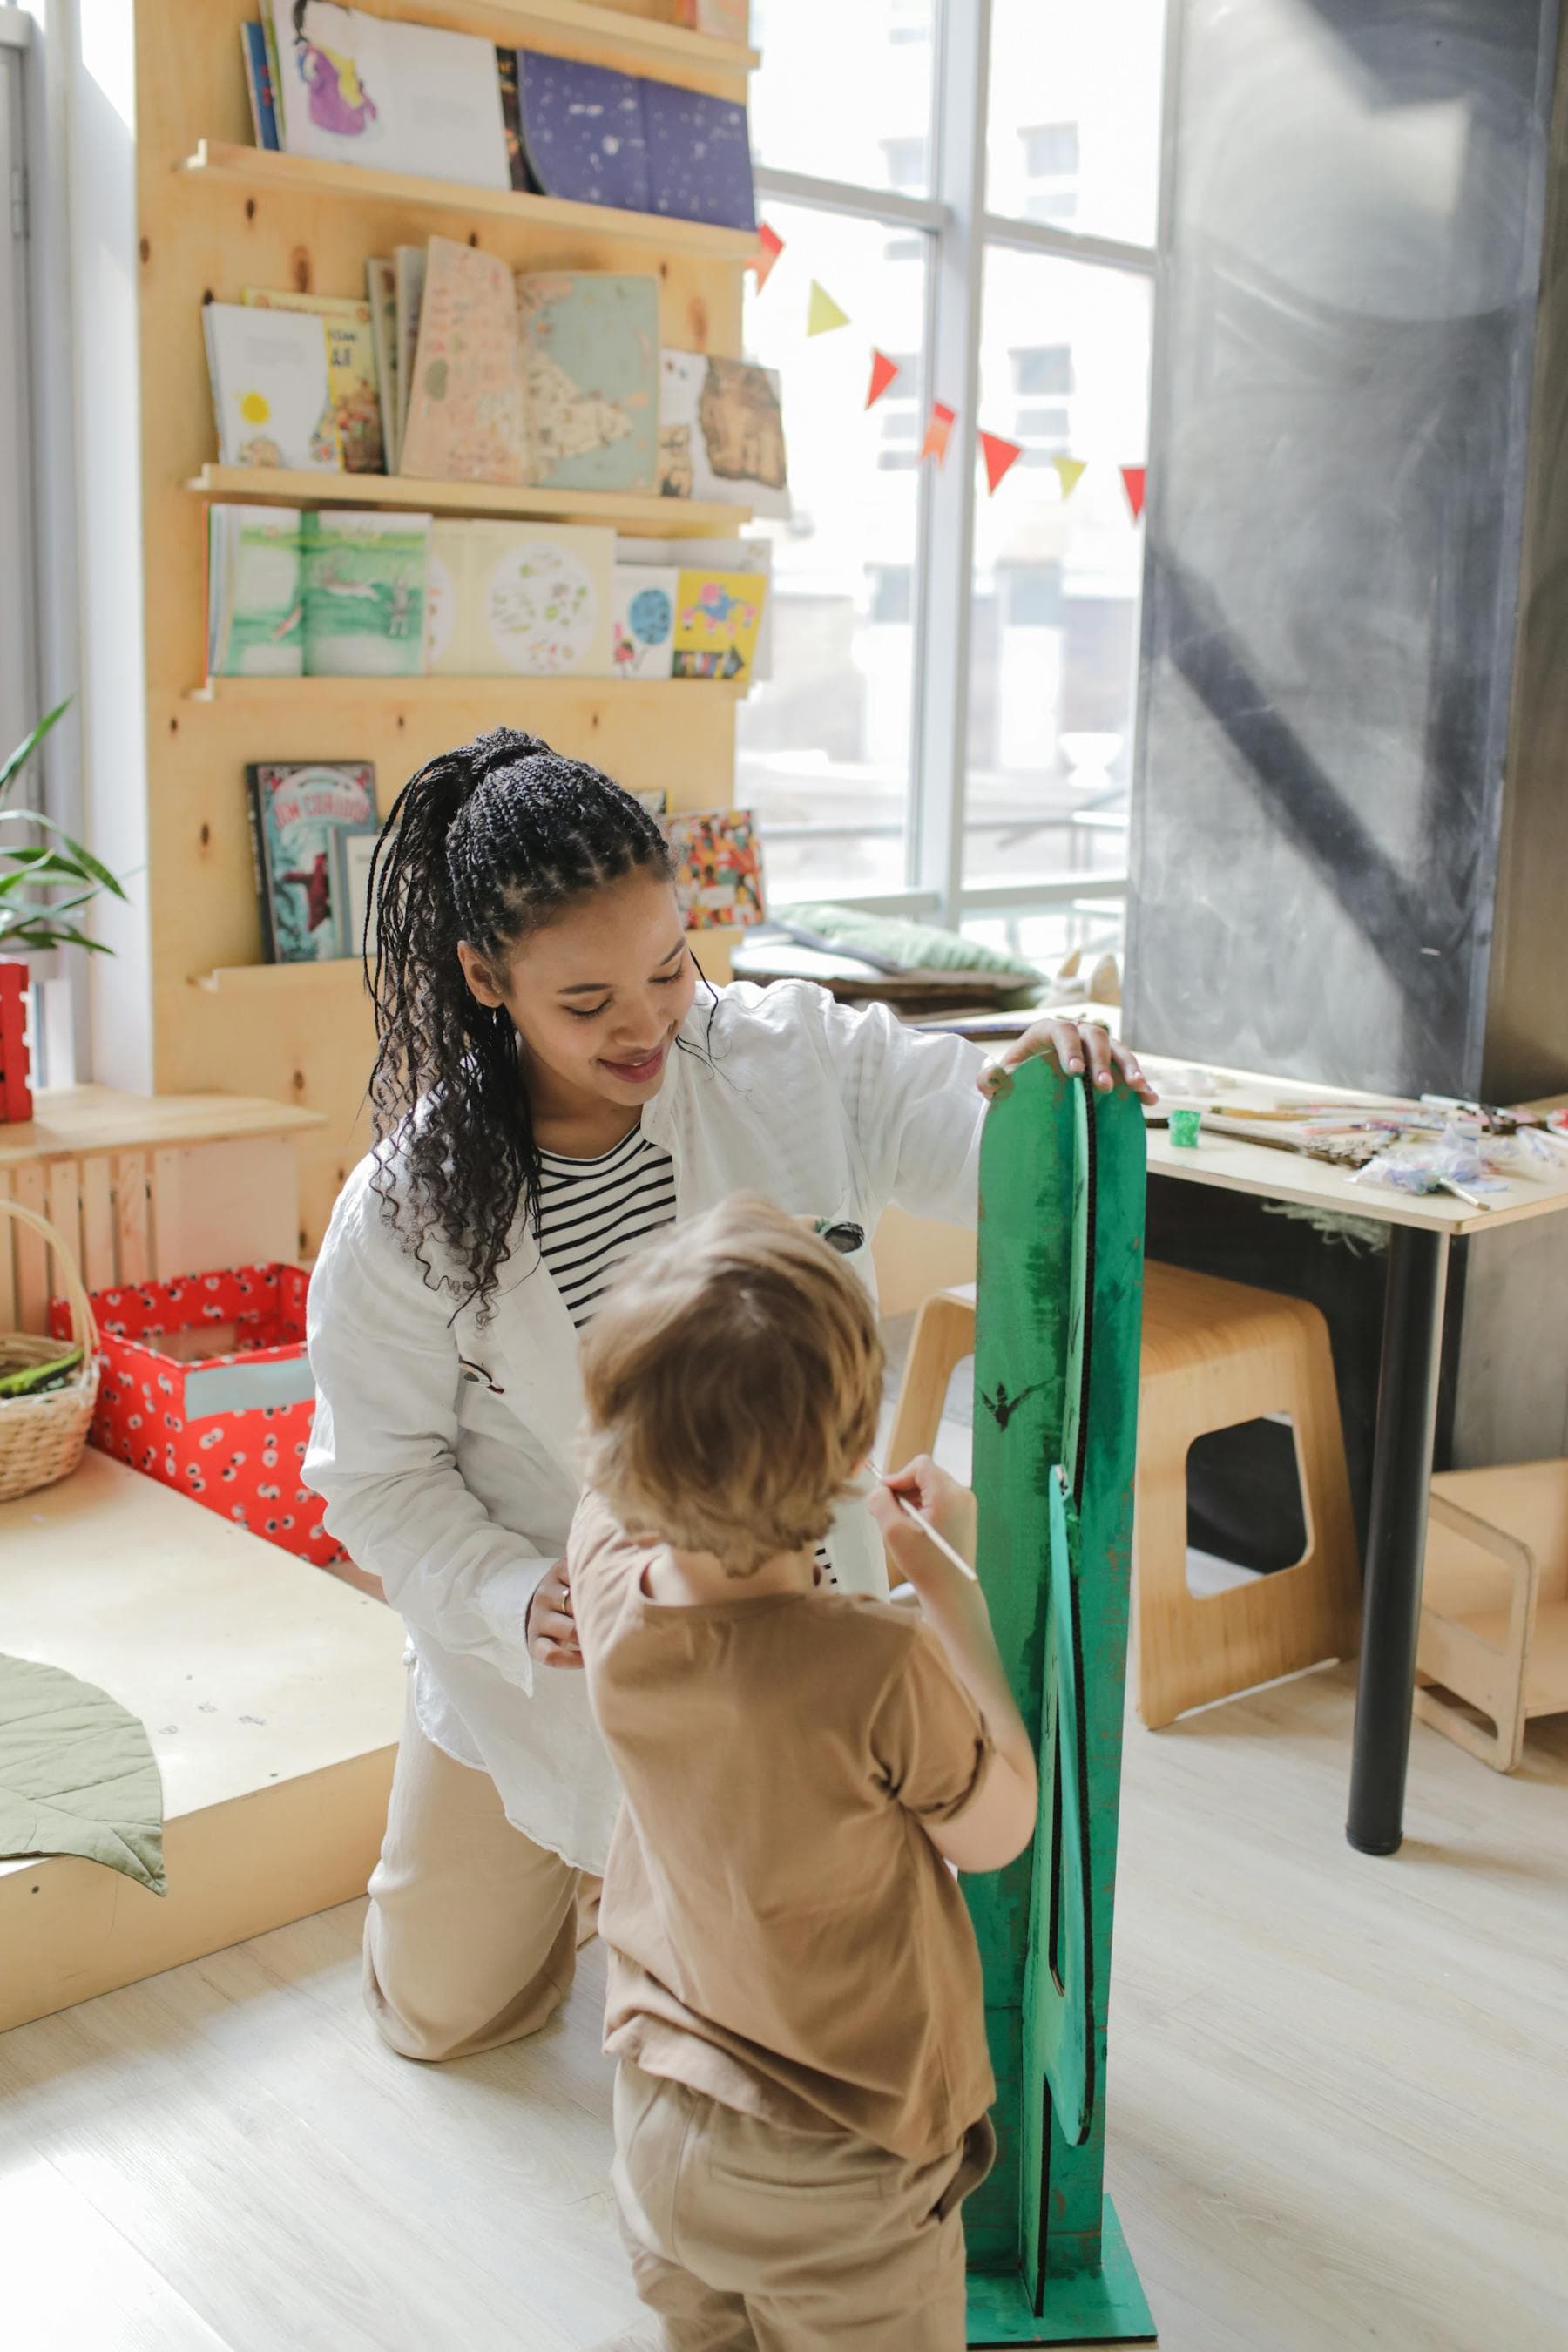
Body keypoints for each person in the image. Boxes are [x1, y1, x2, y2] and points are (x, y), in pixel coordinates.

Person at [305, 726, 1152, 2064]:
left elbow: (1002, 1160)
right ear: (485, 980)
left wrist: (1052, 1088)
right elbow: (375, 1475)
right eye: (586, 1005)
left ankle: (660, 1891)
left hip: (778, 1611)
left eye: (668, 967)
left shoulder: (793, 1060)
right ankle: (607, 1883)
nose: (644, 1023)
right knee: (443, 2015)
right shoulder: (405, 1213)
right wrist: (507, 1597)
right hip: (556, 1643)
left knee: (803, 1982)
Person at [569, 1198, 1035, 2351]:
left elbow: (621, 1488)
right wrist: (955, 1599)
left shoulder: (605, 1589)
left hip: (657, 2118)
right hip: (838, 2166)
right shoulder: (879, 1663)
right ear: (849, 1458)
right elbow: (997, 1832)